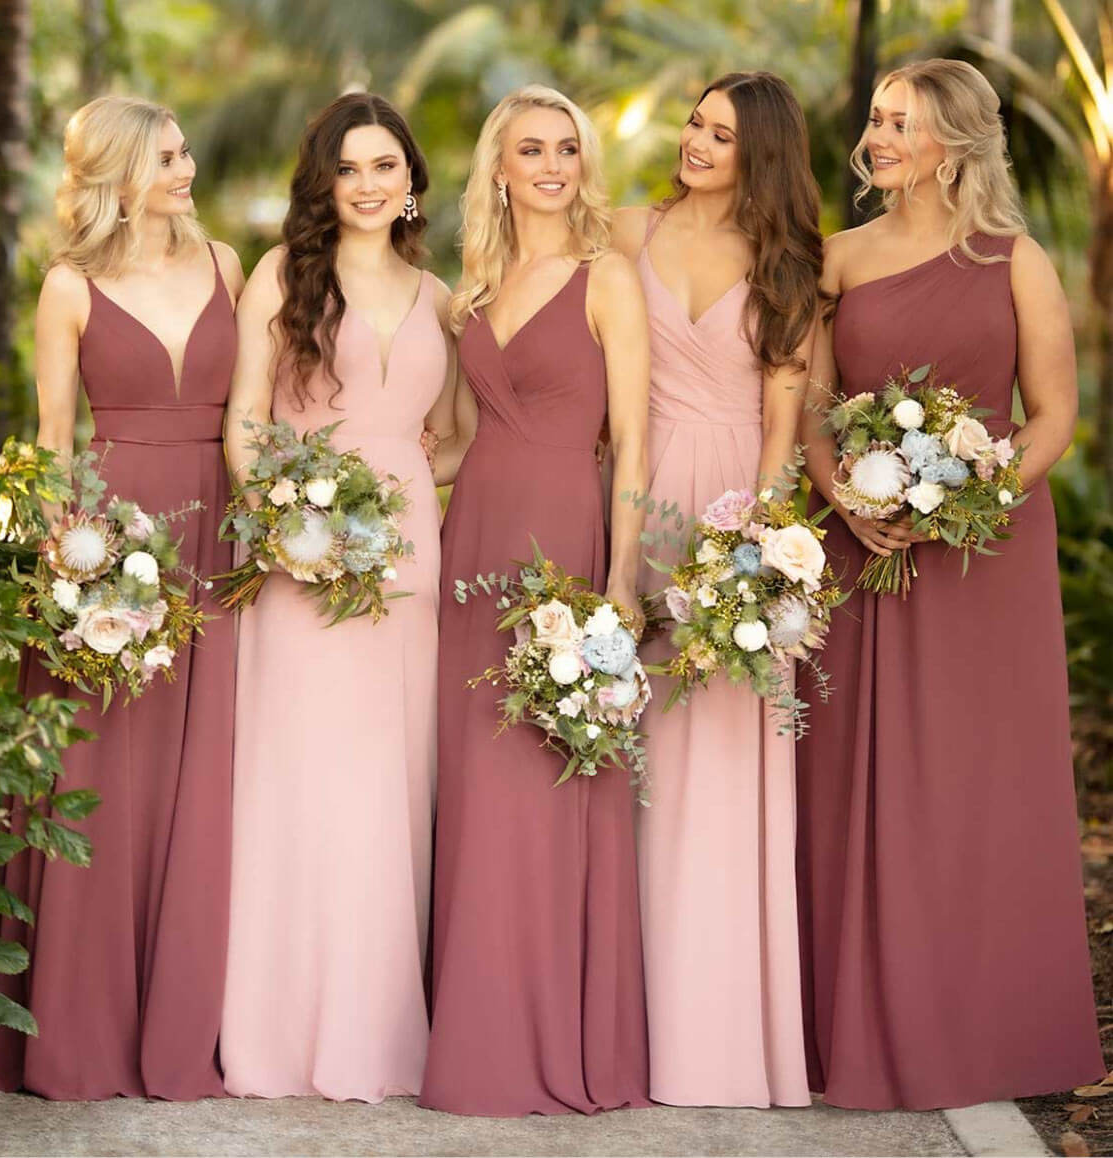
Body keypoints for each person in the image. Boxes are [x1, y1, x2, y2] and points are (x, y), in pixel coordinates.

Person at [796, 58, 1103, 1110]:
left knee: (981, 782)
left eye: (898, 123)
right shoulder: (833, 261)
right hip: (862, 548)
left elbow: (1052, 416)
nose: (876, 137)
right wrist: (844, 497)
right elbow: (808, 406)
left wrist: (961, 507)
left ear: (955, 143)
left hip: (986, 558)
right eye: (876, 119)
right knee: (857, 780)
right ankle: (861, 1025)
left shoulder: (1015, 262)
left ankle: (992, 1028)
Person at [0, 95, 243, 1100]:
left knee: (195, 778)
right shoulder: (69, 287)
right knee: (106, 773)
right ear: (120, 171)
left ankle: (183, 1023)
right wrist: (65, 569)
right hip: (109, 538)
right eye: (167, 156)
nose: (186, 168)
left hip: (215, 537)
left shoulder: (226, 265)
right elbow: (50, 444)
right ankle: (80, 1033)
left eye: (183, 150)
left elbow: (251, 416)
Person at [419, 84, 651, 1116]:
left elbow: (635, 443)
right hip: (472, 539)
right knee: (475, 786)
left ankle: (554, 1035)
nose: (553, 165)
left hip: (563, 531)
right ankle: (474, 1031)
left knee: (549, 780)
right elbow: (461, 436)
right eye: (531, 149)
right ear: (498, 168)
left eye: (566, 148)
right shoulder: (472, 288)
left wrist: (622, 585)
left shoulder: (610, 281)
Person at [219, 92, 452, 1102]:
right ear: (325, 182)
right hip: (302, 560)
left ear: (412, 182)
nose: (367, 186)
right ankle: (275, 1031)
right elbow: (242, 421)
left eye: (385, 167)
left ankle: (377, 1033)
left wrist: (418, 478)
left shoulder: (445, 295)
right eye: (349, 169)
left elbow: (466, 430)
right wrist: (287, 529)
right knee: (301, 782)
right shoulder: (281, 275)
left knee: (391, 789)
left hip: (408, 564)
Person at [612, 71, 821, 1109]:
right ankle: (626, 1028)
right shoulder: (622, 229)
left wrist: (757, 559)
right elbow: (493, 216)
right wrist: (400, 201)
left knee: (725, 764)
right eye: (695, 122)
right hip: (636, 501)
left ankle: (722, 1037)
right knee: (635, 759)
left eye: (722, 133)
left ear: (762, 153)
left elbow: (784, 440)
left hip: (734, 523)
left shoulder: (788, 265)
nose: (697, 141)